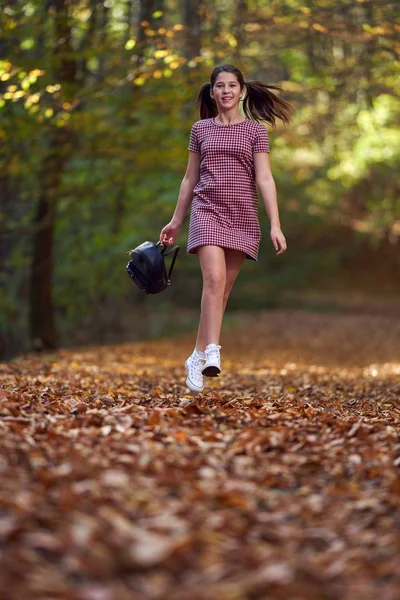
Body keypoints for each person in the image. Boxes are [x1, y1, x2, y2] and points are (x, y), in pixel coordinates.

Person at [159, 64, 293, 394]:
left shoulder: (255, 132)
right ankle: (213, 352)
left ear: (242, 91)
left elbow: (264, 178)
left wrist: (275, 223)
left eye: (232, 85)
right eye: (220, 86)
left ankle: (196, 354)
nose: (226, 91)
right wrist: (176, 221)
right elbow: (190, 178)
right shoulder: (200, 129)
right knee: (214, 280)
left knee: (224, 289)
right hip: (207, 212)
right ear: (211, 92)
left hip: (243, 216)